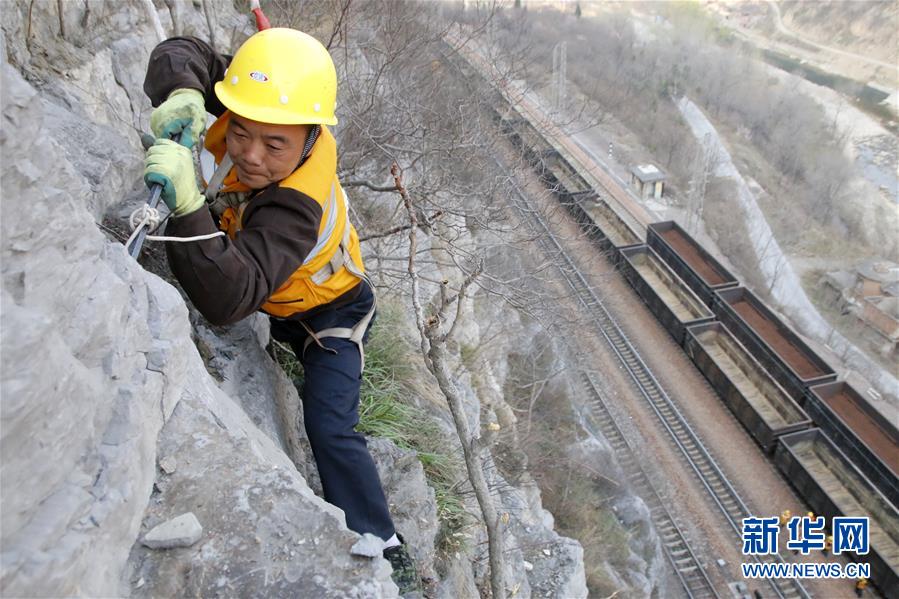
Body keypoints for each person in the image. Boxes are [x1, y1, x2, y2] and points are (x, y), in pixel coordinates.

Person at [141, 28, 417, 592]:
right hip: (281, 299)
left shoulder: (297, 204)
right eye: (238, 132)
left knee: (330, 426)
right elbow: (183, 51)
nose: (248, 153)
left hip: (330, 316)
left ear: (311, 139)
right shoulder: (265, 106)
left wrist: (190, 207)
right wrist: (184, 92)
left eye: (274, 146)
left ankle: (383, 540)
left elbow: (229, 300)